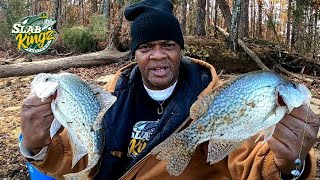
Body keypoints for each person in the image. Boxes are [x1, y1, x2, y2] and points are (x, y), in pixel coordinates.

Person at [20, 0, 319, 179]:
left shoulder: (216, 99)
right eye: (146, 47)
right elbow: (83, 157)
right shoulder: (113, 95)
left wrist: (290, 164)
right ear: (134, 54)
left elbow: (250, 159)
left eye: (168, 45)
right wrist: (37, 147)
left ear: (181, 51)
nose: (158, 55)